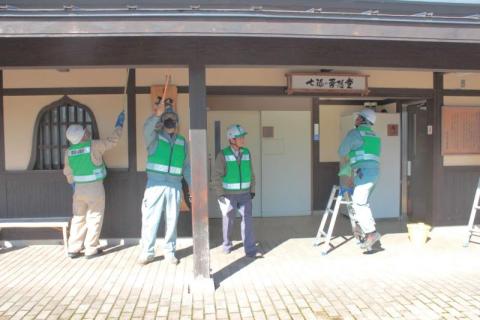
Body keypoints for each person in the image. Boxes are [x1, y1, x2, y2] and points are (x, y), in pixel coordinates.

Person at [64, 110, 125, 259]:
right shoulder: (94, 145)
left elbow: (68, 172)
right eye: (85, 131)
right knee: (95, 216)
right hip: (95, 188)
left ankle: (74, 248)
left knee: (78, 217)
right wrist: (119, 126)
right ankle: (91, 248)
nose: (87, 131)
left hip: (78, 189)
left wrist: (73, 185)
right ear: (82, 135)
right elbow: (112, 141)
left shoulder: (69, 152)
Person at [138, 98, 191, 265]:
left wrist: (192, 186)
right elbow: (146, 129)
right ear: (162, 122)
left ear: (177, 122)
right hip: (155, 185)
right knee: (150, 220)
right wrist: (156, 115)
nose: (170, 121)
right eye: (167, 118)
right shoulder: (154, 138)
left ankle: (170, 251)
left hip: (175, 185)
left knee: (172, 221)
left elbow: (187, 166)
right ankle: (147, 252)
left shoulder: (182, 142)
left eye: (173, 119)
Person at [338, 108, 382, 250]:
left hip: (364, 173)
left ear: (363, 120)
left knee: (358, 203)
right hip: (372, 173)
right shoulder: (373, 135)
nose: (355, 119)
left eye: (358, 117)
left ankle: (371, 233)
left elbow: (341, 151)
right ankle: (361, 226)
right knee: (363, 203)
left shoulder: (355, 133)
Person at [213, 124, 259, 258]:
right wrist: (220, 193)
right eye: (240, 137)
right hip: (229, 195)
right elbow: (216, 176)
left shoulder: (246, 152)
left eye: (243, 137)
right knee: (228, 220)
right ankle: (227, 244)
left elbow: (251, 172)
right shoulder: (223, 155)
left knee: (248, 221)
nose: (243, 139)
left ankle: (250, 249)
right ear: (232, 139)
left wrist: (252, 189)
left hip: (245, 194)